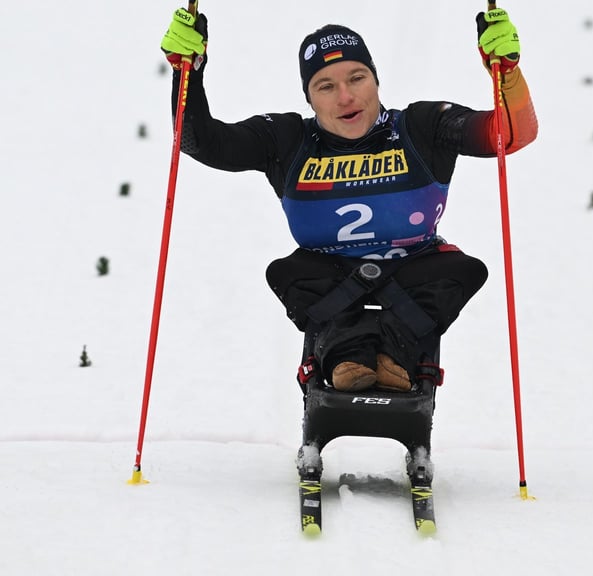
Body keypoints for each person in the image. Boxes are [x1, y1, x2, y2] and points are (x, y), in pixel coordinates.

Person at [160, 7, 537, 393]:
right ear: (309, 98)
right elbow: (199, 142)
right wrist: (188, 70)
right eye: (325, 86)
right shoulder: (287, 139)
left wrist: (506, 74)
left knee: (461, 269)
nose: (345, 96)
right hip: (328, 275)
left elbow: (509, 135)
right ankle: (347, 356)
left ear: (376, 80)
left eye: (357, 78)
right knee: (288, 273)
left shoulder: (422, 126)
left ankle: (396, 354)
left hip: (415, 267)